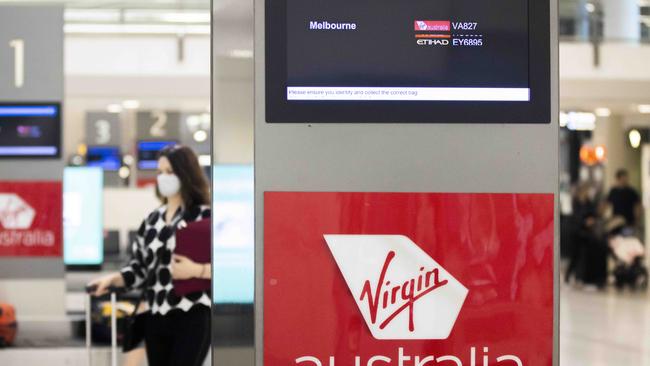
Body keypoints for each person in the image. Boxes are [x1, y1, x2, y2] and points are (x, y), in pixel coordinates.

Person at [88, 145, 211, 366]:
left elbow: (230, 268)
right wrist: (114, 279)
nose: (164, 178)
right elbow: (139, 268)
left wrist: (197, 270)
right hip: (156, 316)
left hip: (192, 313)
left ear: (186, 174)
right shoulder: (153, 220)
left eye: (170, 172)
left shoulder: (206, 216)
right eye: (160, 172)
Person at [565, 183, 597, 284]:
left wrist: (592, 220)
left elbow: (593, 214)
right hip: (576, 232)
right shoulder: (576, 202)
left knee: (585, 255)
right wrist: (584, 221)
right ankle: (568, 275)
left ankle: (582, 277)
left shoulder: (589, 202)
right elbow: (575, 217)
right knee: (575, 255)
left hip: (587, 233)